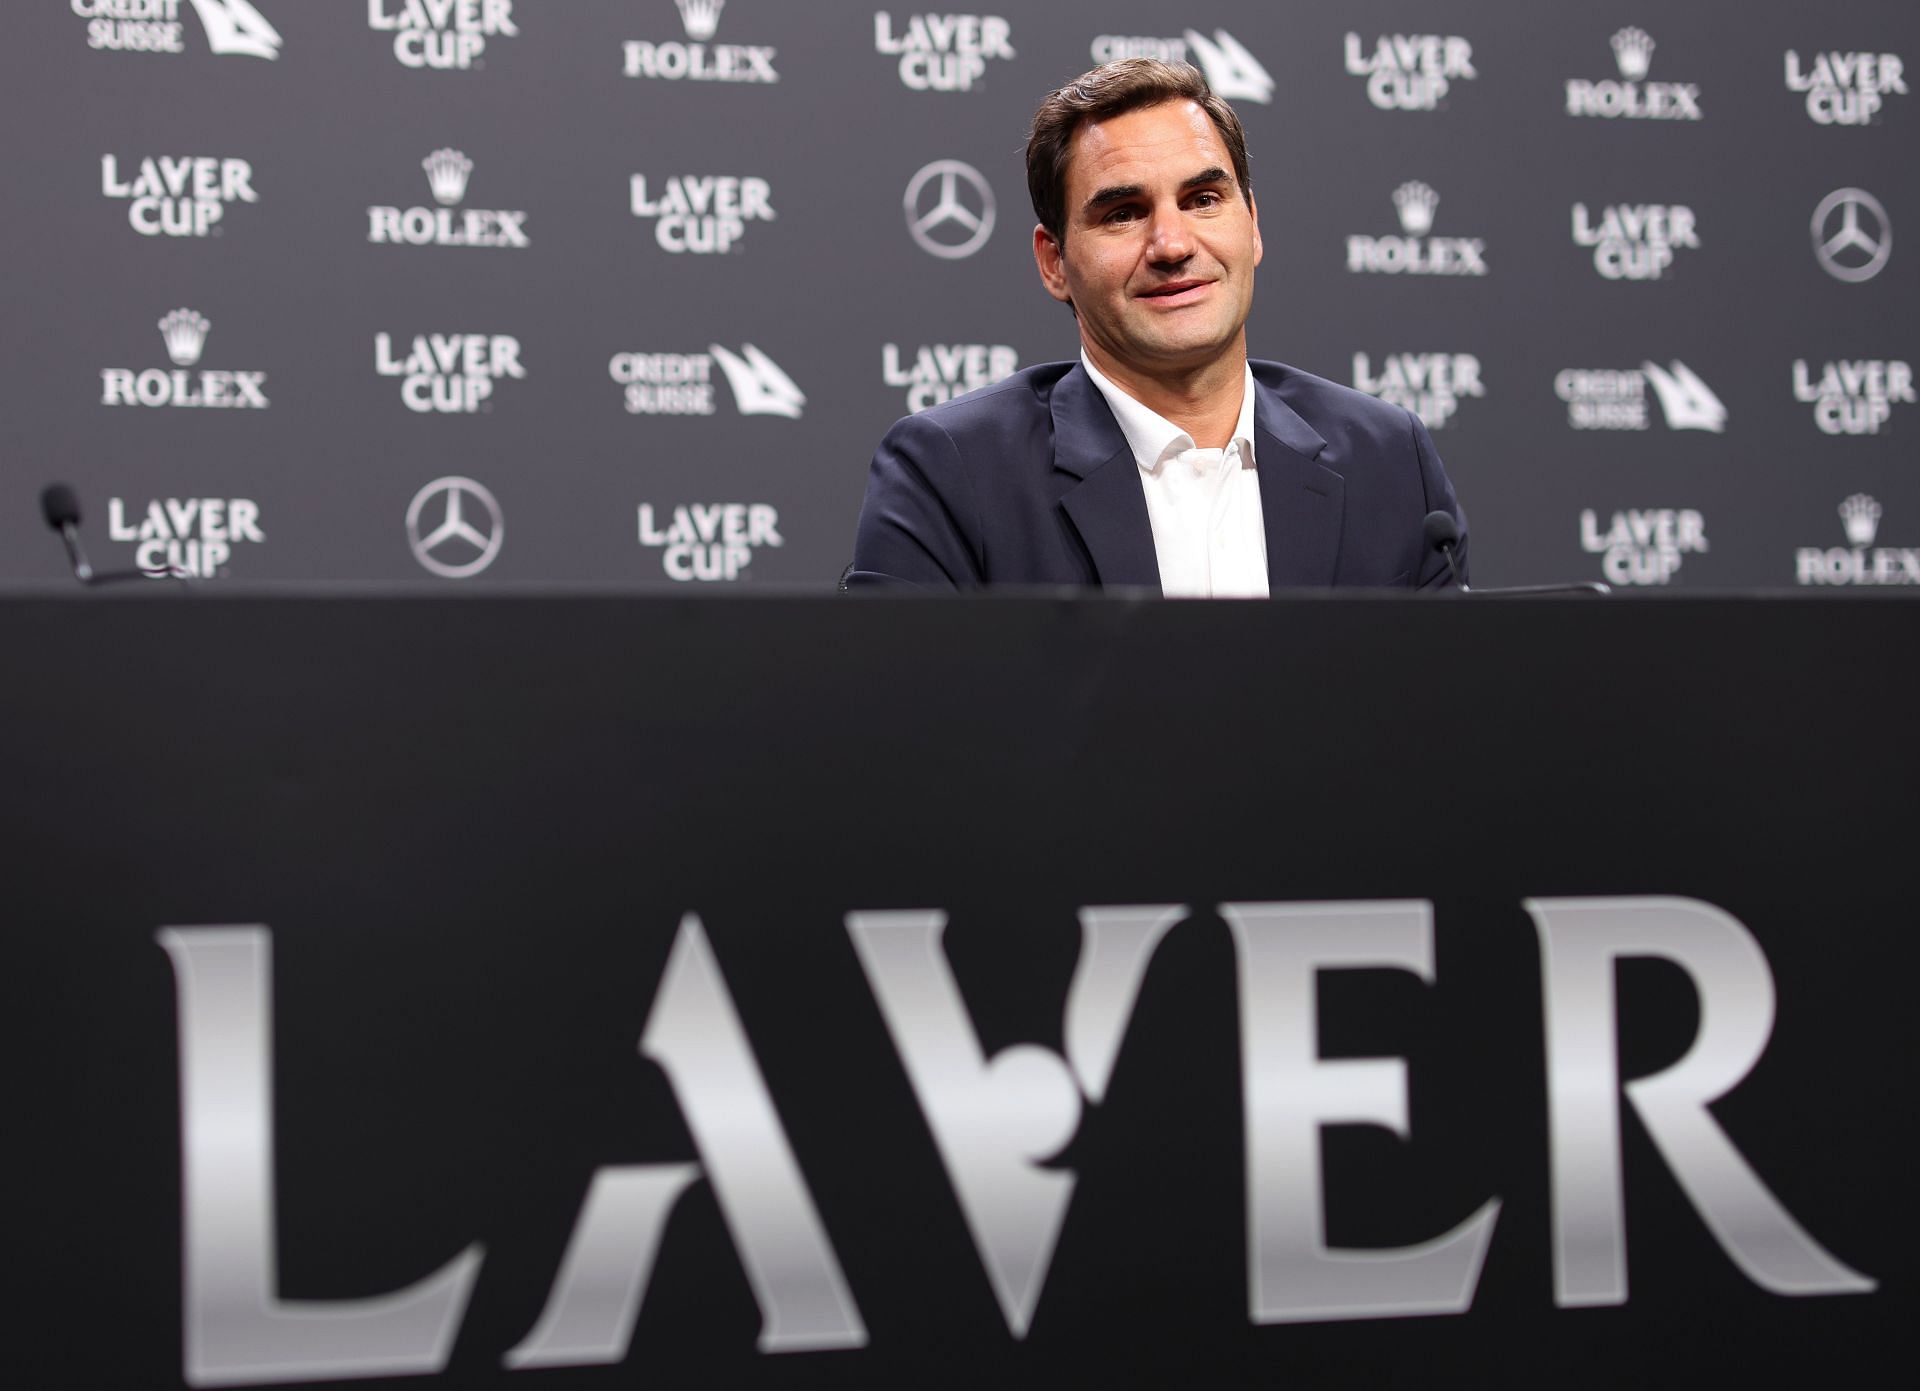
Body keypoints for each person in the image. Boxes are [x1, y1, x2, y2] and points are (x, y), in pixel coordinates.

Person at [849, 58, 1467, 594]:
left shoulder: (1388, 459)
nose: (1171, 244)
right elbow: (897, 719)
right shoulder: (953, 472)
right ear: (1054, 262)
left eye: (1203, 200)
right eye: (1123, 213)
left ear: (1251, 225)